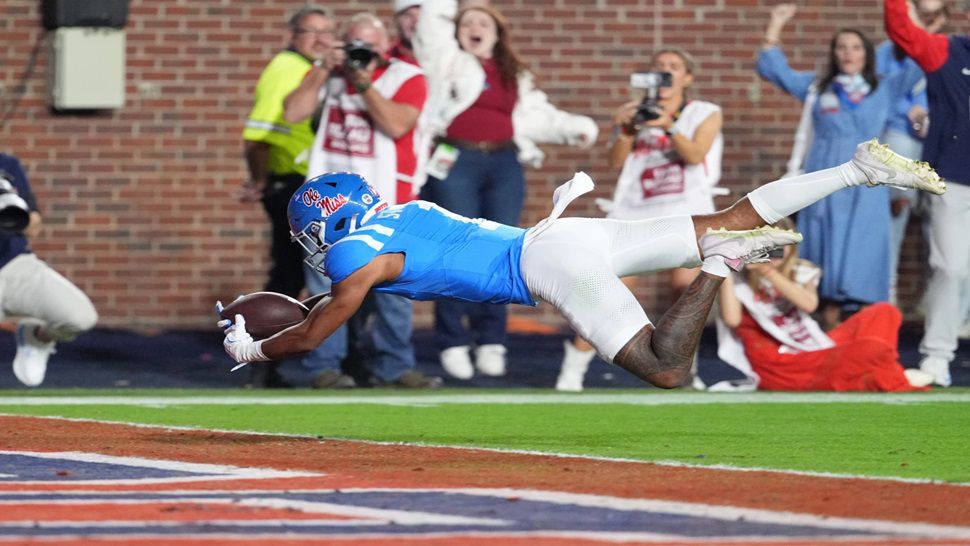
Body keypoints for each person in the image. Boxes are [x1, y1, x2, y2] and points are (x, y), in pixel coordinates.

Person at [219, 141, 946, 390]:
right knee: (734, 216)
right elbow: (323, 311)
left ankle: (720, 266)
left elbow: (317, 332)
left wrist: (256, 345)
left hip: (549, 264)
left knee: (667, 368)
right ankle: (855, 171)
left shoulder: (354, 251)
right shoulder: (397, 210)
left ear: (328, 223)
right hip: (565, 237)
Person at [413, 0, 599, 380]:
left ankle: (491, 339)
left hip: (503, 164)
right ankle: (453, 340)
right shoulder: (445, 59)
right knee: (455, 247)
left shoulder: (514, 73)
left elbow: (535, 117)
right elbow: (432, 24)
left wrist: (574, 127)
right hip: (456, 159)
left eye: (483, 22)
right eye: (467, 22)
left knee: (504, 248)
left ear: (497, 33)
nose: (475, 27)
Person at [282, 12, 440, 389]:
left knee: (394, 289)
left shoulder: (408, 76)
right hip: (328, 204)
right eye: (354, 44)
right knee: (326, 287)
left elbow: (398, 124)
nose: (360, 53)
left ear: (386, 47)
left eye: (368, 46)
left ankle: (395, 368)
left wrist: (364, 84)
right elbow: (293, 112)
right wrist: (323, 68)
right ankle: (324, 367)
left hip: (387, 197)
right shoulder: (330, 74)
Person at [557, 47, 724, 392]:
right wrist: (626, 127)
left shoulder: (704, 112)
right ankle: (572, 371)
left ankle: (686, 369)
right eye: (658, 67)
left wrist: (669, 126)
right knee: (603, 291)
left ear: (687, 78)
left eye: (673, 67)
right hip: (634, 213)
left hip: (684, 209)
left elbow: (695, 155)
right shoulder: (635, 113)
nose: (664, 73)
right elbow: (615, 162)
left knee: (686, 293)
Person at [757, 4, 924, 330]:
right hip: (822, 183)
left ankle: (858, 337)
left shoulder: (885, 87)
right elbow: (774, 69)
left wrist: (911, 16)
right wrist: (775, 24)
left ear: (867, 54)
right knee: (818, 258)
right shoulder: (819, 88)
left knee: (862, 256)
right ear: (834, 53)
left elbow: (920, 60)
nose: (848, 54)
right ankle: (821, 336)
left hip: (866, 186)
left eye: (856, 47)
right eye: (842, 47)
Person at [716, 217, 933, 392]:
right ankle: (891, 373)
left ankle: (884, 372)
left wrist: (769, 272)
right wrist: (726, 266)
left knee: (885, 312)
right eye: (767, 246)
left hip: (813, 347)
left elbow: (809, 305)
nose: (773, 253)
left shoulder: (801, 271)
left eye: (779, 246)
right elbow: (732, 319)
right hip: (782, 365)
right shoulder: (739, 280)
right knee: (870, 350)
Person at [240, 5, 336, 388]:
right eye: (311, 32)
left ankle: (265, 361)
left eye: (327, 32)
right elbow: (257, 135)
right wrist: (262, 180)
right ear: (293, 35)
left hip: (304, 181)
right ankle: (261, 360)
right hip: (293, 182)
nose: (320, 39)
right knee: (291, 275)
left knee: (294, 272)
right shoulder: (289, 67)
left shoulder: (309, 68)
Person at [885, 0, 970, 387]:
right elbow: (901, 27)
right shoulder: (946, 51)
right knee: (951, 269)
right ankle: (937, 358)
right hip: (952, 178)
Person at [0, 153, 98, 387]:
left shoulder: (7, 165)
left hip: (16, 266)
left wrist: (6, 198)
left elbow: (33, 226)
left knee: (80, 317)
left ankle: (36, 337)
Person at [876, 0, 948, 304]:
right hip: (901, 136)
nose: (925, 21)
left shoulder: (948, 49)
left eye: (933, 18)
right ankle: (885, 295)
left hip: (939, 140)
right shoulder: (887, 52)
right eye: (920, 14)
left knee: (944, 221)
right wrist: (910, 110)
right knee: (897, 213)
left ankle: (942, 303)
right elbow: (880, 93)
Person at [390, 0, 422, 66]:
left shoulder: (446, 60)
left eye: (422, 15)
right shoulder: (385, 62)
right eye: (408, 15)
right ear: (396, 21)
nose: (416, 22)